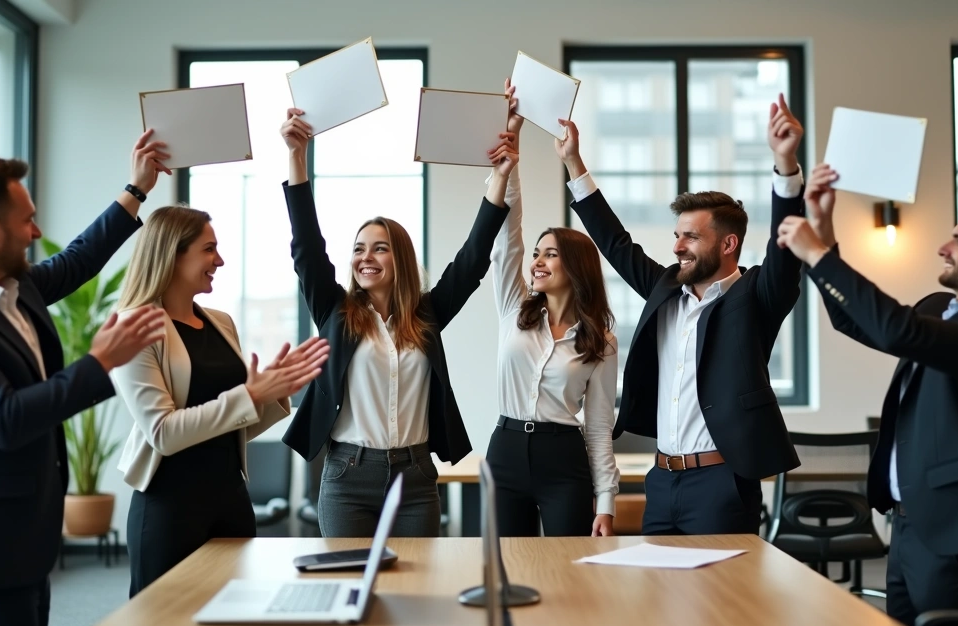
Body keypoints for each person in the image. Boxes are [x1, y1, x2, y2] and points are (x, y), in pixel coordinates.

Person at [0, 132, 172, 626]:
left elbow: (78, 260)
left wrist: (136, 189)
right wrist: (100, 362)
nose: (36, 230)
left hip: (25, 545)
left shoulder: (14, 289)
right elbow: (5, 419)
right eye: (26, 220)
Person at [776, 164, 958, 626]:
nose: (944, 247)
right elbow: (855, 322)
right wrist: (824, 229)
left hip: (956, 533)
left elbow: (896, 329)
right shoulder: (935, 310)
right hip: (906, 526)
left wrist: (819, 255)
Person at [557, 93, 806, 535]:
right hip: (662, 481)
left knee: (720, 603)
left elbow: (785, 251)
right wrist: (575, 165)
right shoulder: (665, 289)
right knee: (660, 600)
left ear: (727, 244)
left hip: (721, 485)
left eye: (690, 237)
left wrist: (785, 166)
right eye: (676, 235)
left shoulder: (756, 296)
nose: (677, 247)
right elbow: (616, 244)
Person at [279, 107, 516, 537]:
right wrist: (297, 157)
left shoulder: (425, 316)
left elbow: (471, 262)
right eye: (358, 249)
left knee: (414, 596)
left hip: (415, 476)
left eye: (379, 248)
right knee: (350, 595)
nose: (365, 258)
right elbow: (307, 250)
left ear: (399, 258)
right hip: (348, 475)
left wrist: (500, 176)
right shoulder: (336, 312)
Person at [109, 205, 330, 597]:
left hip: (230, 498)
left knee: (231, 619)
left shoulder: (221, 322)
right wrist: (249, 393)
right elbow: (163, 432)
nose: (220, 260)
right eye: (209, 249)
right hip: (170, 508)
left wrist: (273, 390)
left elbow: (232, 426)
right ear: (171, 254)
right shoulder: (133, 326)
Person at [488, 80, 619, 537]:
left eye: (551, 254)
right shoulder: (514, 308)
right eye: (538, 253)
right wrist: (512, 153)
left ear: (576, 267)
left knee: (570, 571)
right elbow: (508, 234)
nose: (537, 261)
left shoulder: (600, 340)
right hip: (504, 453)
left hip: (564, 458)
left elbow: (600, 426)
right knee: (506, 569)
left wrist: (606, 501)